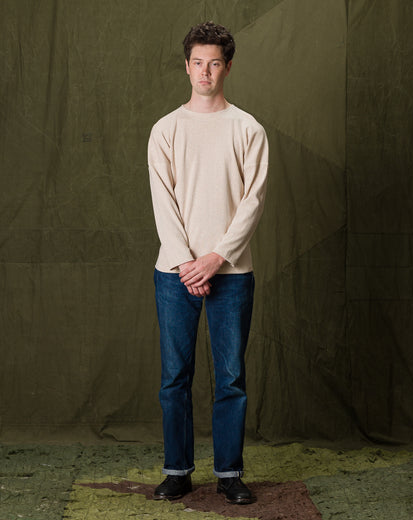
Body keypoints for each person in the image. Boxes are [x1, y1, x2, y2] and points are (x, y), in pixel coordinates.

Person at [148, 21, 268, 505]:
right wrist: (186, 263)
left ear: (228, 67)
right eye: (197, 62)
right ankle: (177, 471)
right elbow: (163, 201)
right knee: (175, 377)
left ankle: (229, 473)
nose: (205, 72)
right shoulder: (166, 129)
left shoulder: (248, 128)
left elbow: (253, 201)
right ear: (186, 66)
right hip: (174, 274)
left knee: (230, 377)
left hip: (232, 273)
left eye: (214, 63)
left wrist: (216, 258)